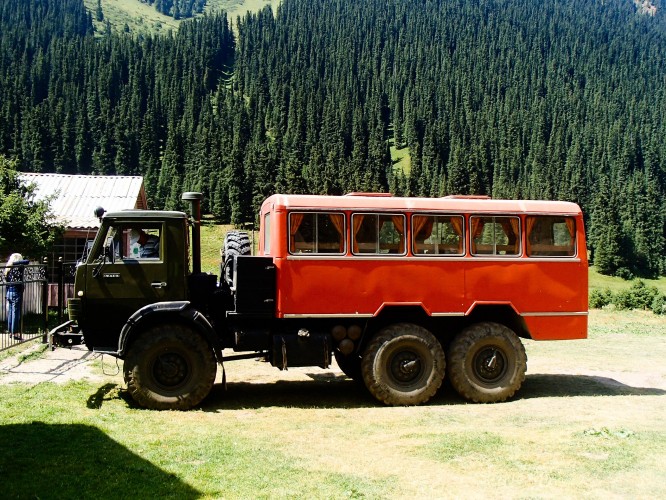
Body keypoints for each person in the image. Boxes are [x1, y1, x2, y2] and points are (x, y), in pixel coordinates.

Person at [4, 253, 29, 340]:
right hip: (16, 292)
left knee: (11, 312)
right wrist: (16, 262)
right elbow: (27, 261)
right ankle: (15, 332)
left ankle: (11, 331)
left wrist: (11, 263)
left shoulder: (8, 269)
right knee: (15, 313)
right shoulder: (18, 268)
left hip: (9, 292)